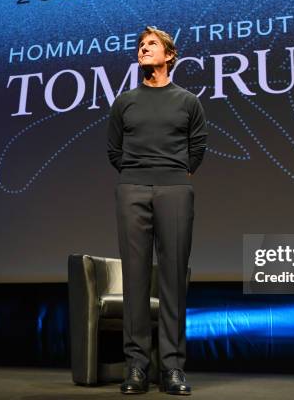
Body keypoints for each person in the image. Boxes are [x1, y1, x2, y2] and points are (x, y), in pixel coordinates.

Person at [107, 25, 208, 395]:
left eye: (151, 45)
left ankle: (172, 368)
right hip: (132, 188)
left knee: (173, 278)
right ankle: (136, 366)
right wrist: (138, 175)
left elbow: (197, 147)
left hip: (175, 190)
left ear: (169, 55)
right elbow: (113, 150)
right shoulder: (125, 102)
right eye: (140, 46)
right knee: (134, 278)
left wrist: (169, 174)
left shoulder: (188, 101)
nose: (143, 50)